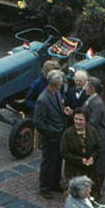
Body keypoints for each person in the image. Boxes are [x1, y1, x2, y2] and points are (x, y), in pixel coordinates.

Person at [33, 70, 65, 199]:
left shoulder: (56, 93)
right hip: (50, 137)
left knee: (58, 161)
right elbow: (38, 122)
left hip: (59, 135)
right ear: (55, 83)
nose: (62, 83)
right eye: (61, 81)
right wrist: (51, 131)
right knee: (48, 162)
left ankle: (55, 183)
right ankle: (45, 187)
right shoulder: (43, 99)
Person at [61, 108, 100, 188]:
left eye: (81, 119)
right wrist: (80, 160)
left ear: (86, 121)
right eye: (76, 119)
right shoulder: (68, 133)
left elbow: (98, 148)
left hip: (89, 172)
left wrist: (93, 157)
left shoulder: (92, 131)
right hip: (73, 173)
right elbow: (64, 153)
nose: (78, 122)